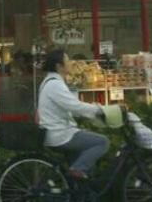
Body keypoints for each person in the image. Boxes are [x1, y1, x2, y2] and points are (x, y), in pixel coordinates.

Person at [37, 49, 108, 180]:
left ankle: (78, 183)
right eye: (67, 60)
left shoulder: (50, 81)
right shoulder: (55, 85)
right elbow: (75, 106)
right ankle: (77, 169)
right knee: (102, 142)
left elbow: (71, 106)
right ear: (59, 66)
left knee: (83, 156)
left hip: (55, 132)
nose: (71, 63)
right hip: (60, 135)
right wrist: (100, 110)